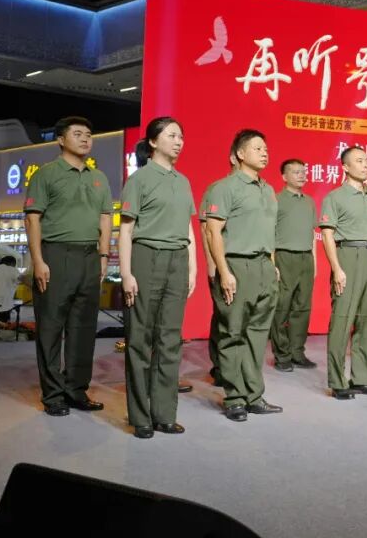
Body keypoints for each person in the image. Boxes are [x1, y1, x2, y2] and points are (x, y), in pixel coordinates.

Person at [24, 116, 113, 417]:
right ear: (61, 140)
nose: (85, 139)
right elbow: (32, 218)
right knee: (51, 327)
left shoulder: (98, 177)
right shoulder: (46, 174)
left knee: (83, 328)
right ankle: (53, 395)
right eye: (77, 134)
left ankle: (76, 390)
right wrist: (38, 261)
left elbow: (105, 218)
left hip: (90, 257)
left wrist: (103, 257)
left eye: (89, 134)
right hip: (56, 254)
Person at [118, 117, 197, 439]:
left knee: (170, 339)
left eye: (181, 136)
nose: (178, 142)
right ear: (153, 142)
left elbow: (188, 228)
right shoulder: (139, 179)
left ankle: (164, 414)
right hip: (146, 256)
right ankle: (140, 416)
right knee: (140, 339)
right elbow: (126, 230)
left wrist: (192, 267)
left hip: (178, 259)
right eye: (172, 135)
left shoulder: (183, 181)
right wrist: (126, 273)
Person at [205, 129, 283, 421]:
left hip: (264, 266)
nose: (264, 153)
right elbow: (213, 232)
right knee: (232, 333)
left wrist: (272, 264)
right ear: (240, 153)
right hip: (237, 265)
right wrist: (224, 271)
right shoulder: (224, 188)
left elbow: (269, 232)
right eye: (257, 148)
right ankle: (234, 398)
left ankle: (254, 395)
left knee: (258, 335)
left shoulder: (268, 189)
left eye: (266, 148)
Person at [320, 146, 367, 399]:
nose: (365, 165)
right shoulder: (335, 197)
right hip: (348, 255)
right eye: (359, 161)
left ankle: (362, 378)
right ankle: (338, 382)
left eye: (366, 160)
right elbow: (327, 234)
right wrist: (337, 268)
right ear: (345, 167)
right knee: (342, 320)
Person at [270, 159, 318, 371]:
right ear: (284, 176)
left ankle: (297, 352)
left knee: (302, 308)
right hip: (284, 257)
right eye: (295, 172)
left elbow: (312, 234)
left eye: (303, 171)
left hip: (306, 258)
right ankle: (282, 355)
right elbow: (269, 233)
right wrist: (273, 262)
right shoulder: (276, 200)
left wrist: (314, 261)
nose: (301, 175)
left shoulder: (309, 202)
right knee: (282, 307)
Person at [198, 154, 237, 387]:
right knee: (224, 316)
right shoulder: (218, 189)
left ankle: (235, 367)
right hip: (223, 261)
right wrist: (212, 263)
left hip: (245, 263)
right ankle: (220, 366)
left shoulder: (260, 189)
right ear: (235, 156)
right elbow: (207, 229)